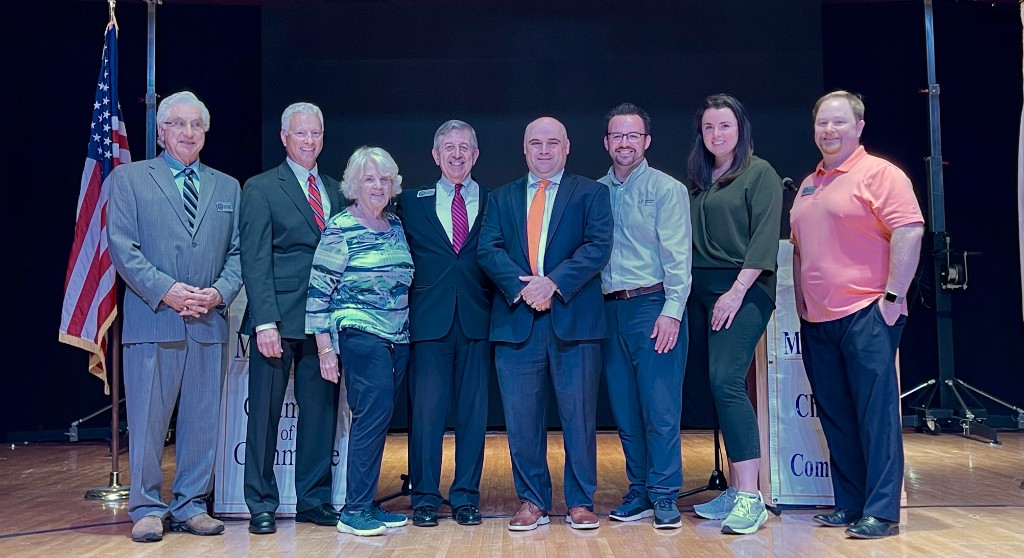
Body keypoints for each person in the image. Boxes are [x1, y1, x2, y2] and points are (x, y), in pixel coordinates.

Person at [106, 91, 242, 543]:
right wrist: (167, 290)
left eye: (196, 125)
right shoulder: (129, 178)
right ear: (161, 131)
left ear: (206, 132)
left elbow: (238, 253)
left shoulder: (228, 187)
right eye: (179, 124)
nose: (188, 132)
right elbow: (122, 247)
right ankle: (146, 507)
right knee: (147, 422)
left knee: (202, 421)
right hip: (154, 320)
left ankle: (190, 505)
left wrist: (219, 293)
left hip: (207, 323)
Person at [791, 90, 924, 539]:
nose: (828, 130)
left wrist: (892, 297)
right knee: (836, 415)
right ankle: (849, 504)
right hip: (817, 321)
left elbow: (909, 230)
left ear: (859, 127)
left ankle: (882, 512)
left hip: (867, 311)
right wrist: (802, 305)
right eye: (821, 123)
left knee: (876, 417)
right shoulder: (809, 183)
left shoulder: (880, 173)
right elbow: (799, 249)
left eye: (838, 122)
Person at [478, 116, 613, 531]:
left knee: (579, 419)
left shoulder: (591, 193)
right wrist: (525, 290)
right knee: (521, 421)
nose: (543, 150)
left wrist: (552, 283)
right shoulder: (500, 197)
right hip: (517, 322)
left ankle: (580, 502)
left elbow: (597, 246)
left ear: (566, 147)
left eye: (552, 142)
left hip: (575, 323)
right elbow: (488, 249)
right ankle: (532, 500)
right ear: (524, 149)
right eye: (535, 143)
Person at [240, 102, 345, 534]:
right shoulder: (261, 187)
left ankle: (314, 500)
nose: (309, 140)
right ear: (284, 137)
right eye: (301, 133)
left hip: (322, 324)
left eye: (315, 133)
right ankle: (260, 502)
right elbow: (254, 258)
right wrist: (264, 320)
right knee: (264, 416)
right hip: (278, 321)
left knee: (320, 414)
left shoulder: (336, 189)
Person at [685, 94, 783, 535]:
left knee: (726, 380)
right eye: (709, 127)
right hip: (702, 290)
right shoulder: (699, 179)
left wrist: (736, 292)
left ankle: (751, 496)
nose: (716, 134)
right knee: (717, 385)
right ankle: (735, 486)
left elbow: (763, 240)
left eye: (724, 125)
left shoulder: (759, 173)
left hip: (743, 288)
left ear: (740, 128)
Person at [306, 146, 414, 537]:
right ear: (355, 184)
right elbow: (318, 292)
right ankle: (353, 512)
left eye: (385, 179)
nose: (379, 186)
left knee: (379, 418)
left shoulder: (395, 225)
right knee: (371, 416)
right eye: (370, 179)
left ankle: (365, 503)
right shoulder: (340, 227)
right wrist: (325, 348)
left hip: (398, 336)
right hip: (359, 331)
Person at [598, 103, 691, 530]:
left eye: (632, 135)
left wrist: (672, 311)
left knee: (660, 408)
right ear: (606, 142)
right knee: (625, 409)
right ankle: (639, 489)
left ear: (646, 141)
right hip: (608, 310)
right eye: (617, 135)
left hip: (653, 307)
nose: (625, 143)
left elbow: (678, 257)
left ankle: (665, 492)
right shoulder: (595, 191)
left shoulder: (667, 189)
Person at [395, 120, 492, 528]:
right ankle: (424, 498)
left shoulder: (494, 201)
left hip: (477, 322)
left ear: (475, 155)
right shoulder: (409, 202)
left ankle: (466, 496)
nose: (457, 154)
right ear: (435, 155)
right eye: (449, 147)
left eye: (464, 147)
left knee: (473, 416)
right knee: (426, 417)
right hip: (428, 323)